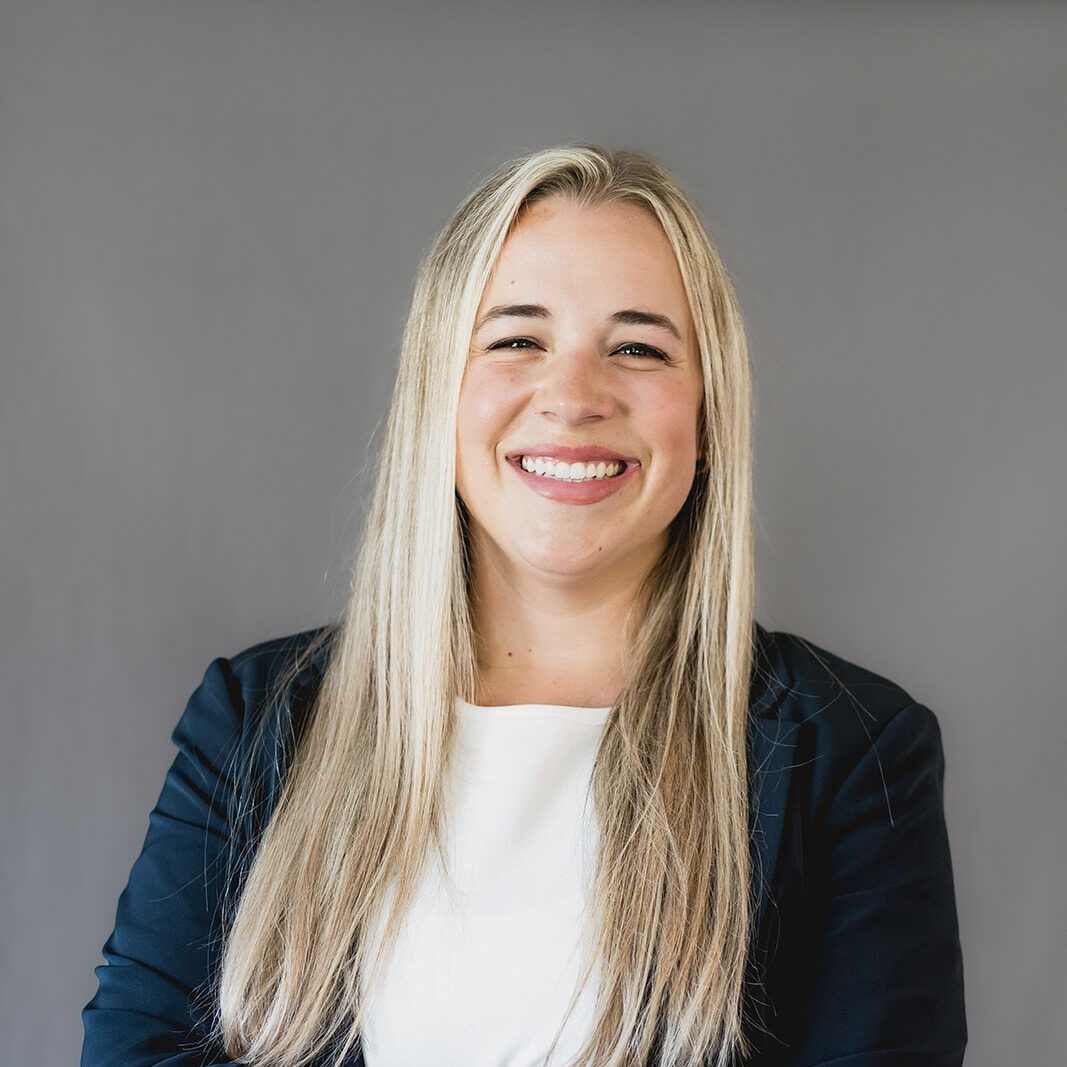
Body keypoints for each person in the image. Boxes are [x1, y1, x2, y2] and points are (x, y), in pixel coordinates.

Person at [82, 145, 966, 1067]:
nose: (574, 396)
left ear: (704, 420)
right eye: (516, 339)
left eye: (637, 347)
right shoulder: (254, 719)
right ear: (439, 395)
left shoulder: (855, 751)